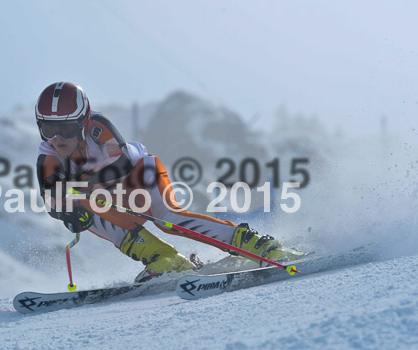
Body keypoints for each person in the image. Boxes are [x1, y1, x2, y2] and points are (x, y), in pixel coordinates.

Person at [35, 82, 303, 282]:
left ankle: (253, 243)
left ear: (82, 121)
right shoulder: (48, 154)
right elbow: (51, 199)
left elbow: (123, 163)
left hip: (139, 175)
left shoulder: (97, 126)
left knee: (169, 219)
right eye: (48, 129)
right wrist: (69, 214)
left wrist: (81, 187)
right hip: (106, 195)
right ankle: (163, 259)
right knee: (82, 208)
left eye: (66, 129)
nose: (58, 138)